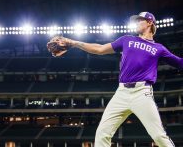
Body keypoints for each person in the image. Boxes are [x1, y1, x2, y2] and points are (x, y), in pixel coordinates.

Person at [54, 12, 183, 146]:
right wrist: (73, 42)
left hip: (142, 94)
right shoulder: (127, 39)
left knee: (158, 135)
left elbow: (180, 62)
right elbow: (99, 49)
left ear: (150, 22)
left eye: (140, 20)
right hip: (121, 93)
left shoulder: (159, 48)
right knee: (102, 133)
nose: (137, 22)